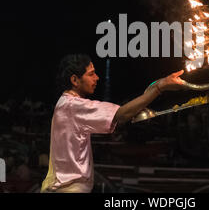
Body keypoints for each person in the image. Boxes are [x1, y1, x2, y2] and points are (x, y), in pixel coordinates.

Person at [40, 54, 184, 193]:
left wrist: (159, 84)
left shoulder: (64, 103)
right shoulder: (73, 106)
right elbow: (121, 115)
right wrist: (160, 88)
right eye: (91, 74)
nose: (97, 78)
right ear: (75, 80)